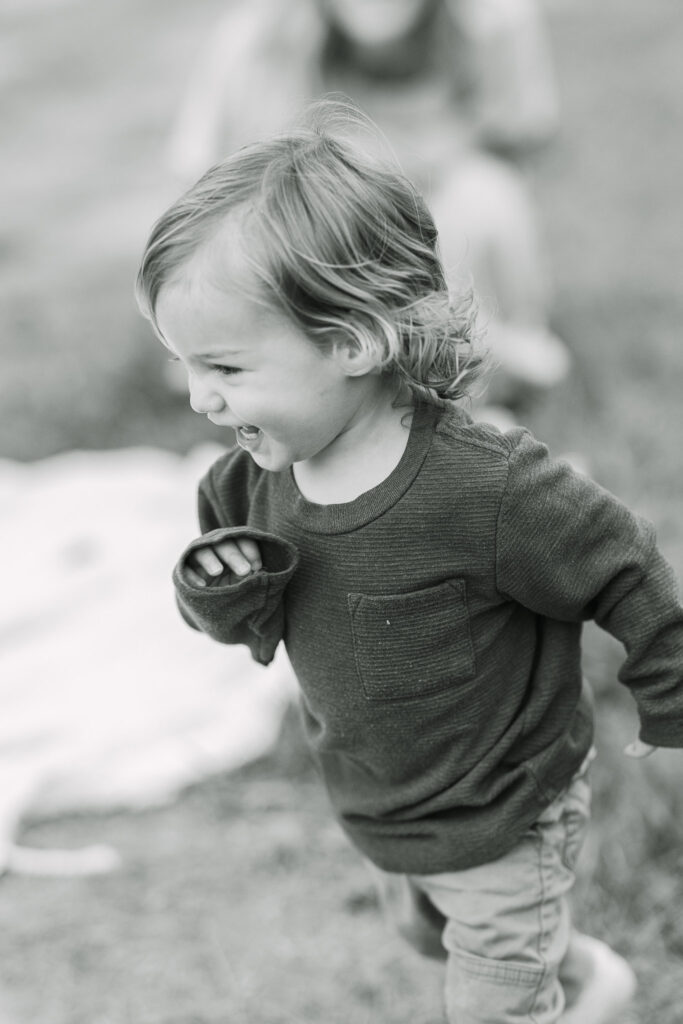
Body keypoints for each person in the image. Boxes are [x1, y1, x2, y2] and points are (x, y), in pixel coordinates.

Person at [135, 102, 683, 1023]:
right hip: (382, 806)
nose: (198, 399)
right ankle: (579, 973)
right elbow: (249, 627)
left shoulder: (487, 487)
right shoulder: (247, 483)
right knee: (428, 932)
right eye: (185, 367)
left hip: (507, 806)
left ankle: (546, 987)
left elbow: (620, 562)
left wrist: (669, 689)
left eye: (224, 369)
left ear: (350, 343)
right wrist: (221, 591)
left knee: (492, 992)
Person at [166, 0, 570, 411]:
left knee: (482, 194)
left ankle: (471, 347)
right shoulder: (260, 37)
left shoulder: (492, 18)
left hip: (442, 201)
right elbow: (222, 190)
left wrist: (424, 162)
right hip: (312, 222)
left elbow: (518, 142)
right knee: (317, 222)